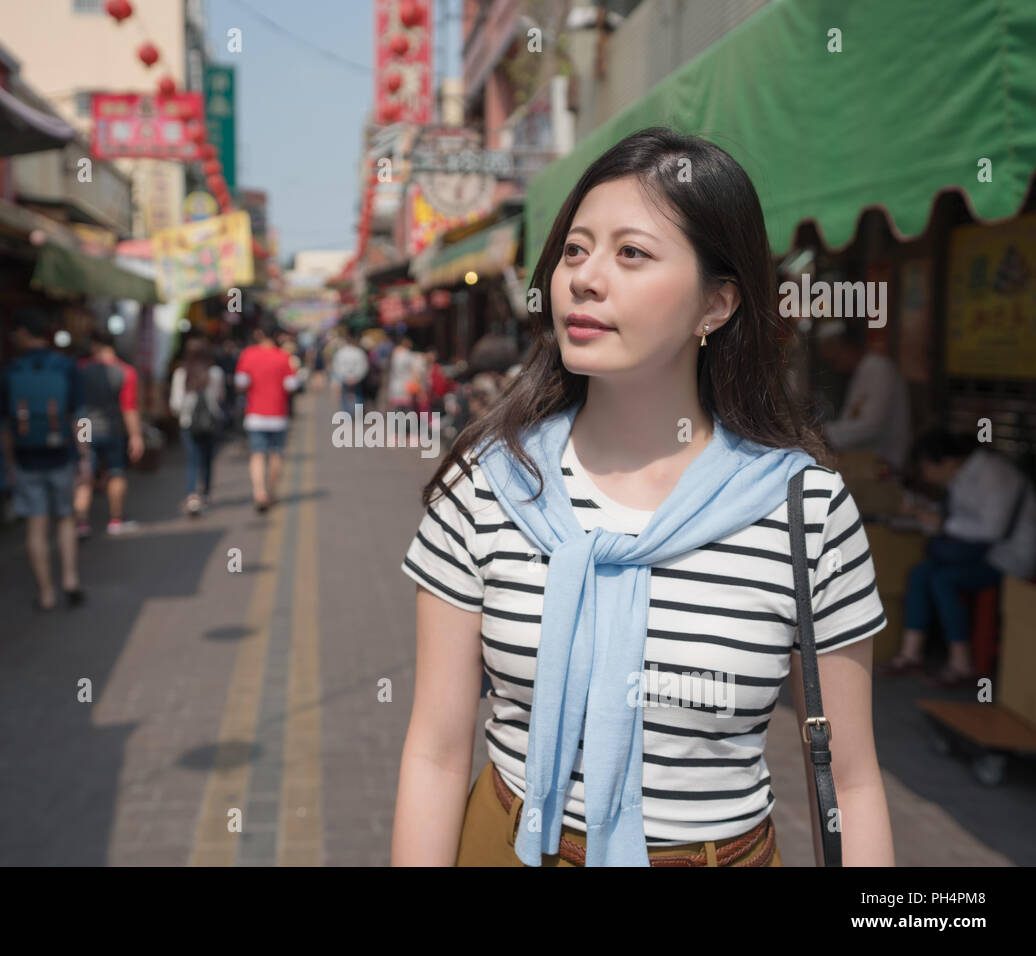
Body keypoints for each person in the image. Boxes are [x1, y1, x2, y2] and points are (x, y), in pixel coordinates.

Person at [391, 127, 894, 868]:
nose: (585, 278)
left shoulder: (804, 510)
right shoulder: (490, 483)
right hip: (509, 844)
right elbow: (435, 753)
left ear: (716, 305)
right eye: (574, 249)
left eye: (631, 253)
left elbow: (850, 782)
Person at [878, 428, 1036, 686]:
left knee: (943, 580)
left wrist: (942, 523)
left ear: (947, 461)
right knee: (919, 574)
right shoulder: (961, 475)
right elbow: (958, 519)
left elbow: (991, 530)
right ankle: (910, 654)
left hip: (1010, 556)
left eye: (926, 467)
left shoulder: (994, 475)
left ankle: (961, 664)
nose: (925, 475)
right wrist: (925, 514)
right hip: (979, 553)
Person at [0, 307, 86, 611]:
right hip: (61, 455)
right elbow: (77, 418)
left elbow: (6, 427)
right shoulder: (66, 367)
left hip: (26, 458)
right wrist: (84, 456)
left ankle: (47, 593)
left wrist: (9, 464)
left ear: (23, 333)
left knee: (36, 525)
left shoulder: (11, 371)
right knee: (65, 519)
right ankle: (71, 580)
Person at [816, 319, 913, 477]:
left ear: (841, 346)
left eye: (833, 359)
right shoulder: (862, 371)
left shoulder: (879, 369)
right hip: (866, 465)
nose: (833, 365)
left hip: (883, 468)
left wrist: (824, 433)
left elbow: (871, 426)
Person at [74, 328, 143, 537]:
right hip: (112, 428)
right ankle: (115, 519)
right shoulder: (126, 372)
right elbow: (129, 408)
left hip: (83, 428)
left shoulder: (80, 369)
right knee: (116, 472)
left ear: (94, 344)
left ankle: (82, 523)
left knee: (84, 476)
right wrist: (136, 436)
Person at [235, 319, 300, 512]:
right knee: (275, 455)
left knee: (257, 455)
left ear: (259, 334)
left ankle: (259, 492)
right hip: (278, 414)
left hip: (255, 414)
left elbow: (241, 382)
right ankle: (271, 492)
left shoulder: (248, 354)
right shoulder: (283, 357)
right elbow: (291, 385)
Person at [169, 337, 227, 516]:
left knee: (192, 460)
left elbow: (176, 404)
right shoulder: (216, 372)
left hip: (188, 423)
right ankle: (206, 494)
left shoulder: (181, 373)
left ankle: (192, 496)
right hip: (211, 423)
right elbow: (220, 397)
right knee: (208, 459)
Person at [330, 332, 369, 415]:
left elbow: (336, 366)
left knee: (345, 397)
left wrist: (344, 377)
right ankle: (357, 413)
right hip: (355, 378)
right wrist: (357, 377)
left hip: (346, 378)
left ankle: (346, 413)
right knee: (357, 396)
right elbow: (364, 366)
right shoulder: (359, 352)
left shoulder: (341, 352)